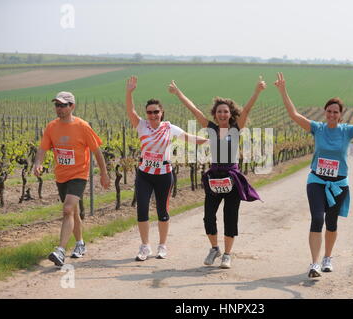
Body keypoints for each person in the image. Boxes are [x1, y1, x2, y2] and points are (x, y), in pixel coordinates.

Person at [275, 72, 353, 278]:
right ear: (325, 112)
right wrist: (283, 90)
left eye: (335, 112)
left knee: (332, 223)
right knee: (317, 218)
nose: (332, 114)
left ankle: (327, 258)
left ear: (340, 114)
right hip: (316, 181)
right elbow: (294, 115)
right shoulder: (317, 128)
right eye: (329, 111)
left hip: (339, 184)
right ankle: (314, 263)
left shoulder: (347, 131)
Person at [168, 76, 266, 269]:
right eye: (219, 111)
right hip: (214, 177)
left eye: (226, 111)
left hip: (232, 177)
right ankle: (214, 249)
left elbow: (246, 110)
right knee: (208, 216)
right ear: (215, 114)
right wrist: (178, 92)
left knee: (231, 216)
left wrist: (257, 91)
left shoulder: (236, 129)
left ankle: (227, 254)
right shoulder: (211, 129)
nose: (222, 114)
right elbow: (194, 109)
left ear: (231, 114)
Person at [126, 76, 208, 261]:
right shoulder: (141, 126)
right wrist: (129, 92)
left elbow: (190, 138)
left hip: (163, 175)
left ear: (162, 112)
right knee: (142, 209)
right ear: (146, 114)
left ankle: (162, 246)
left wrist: (213, 140)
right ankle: (145, 246)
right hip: (144, 175)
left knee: (162, 210)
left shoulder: (169, 128)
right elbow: (130, 110)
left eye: (156, 112)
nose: (153, 115)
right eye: (149, 112)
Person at [33, 91, 110, 267]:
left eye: (62, 105)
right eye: (57, 105)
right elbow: (43, 149)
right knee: (73, 212)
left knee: (67, 209)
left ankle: (60, 250)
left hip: (79, 174)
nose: (58, 108)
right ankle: (80, 243)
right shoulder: (51, 127)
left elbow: (97, 151)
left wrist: (104, 174)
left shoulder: (83, 126)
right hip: (61, 175)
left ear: (72, 107)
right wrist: (37, 163)